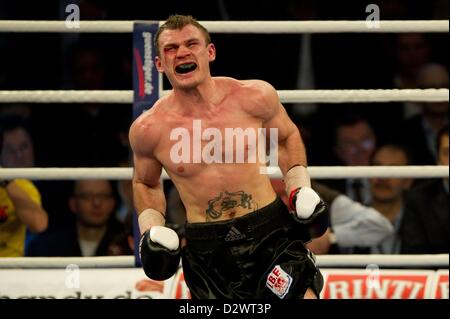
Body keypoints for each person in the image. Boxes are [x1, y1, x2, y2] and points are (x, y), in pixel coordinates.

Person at [129, 15, 328, 299]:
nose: (182, 52)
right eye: (171, 48)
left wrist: (299, 187)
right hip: (209, 251)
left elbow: (285, 138)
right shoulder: (149, 129)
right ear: (160, 64)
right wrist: (152, 230)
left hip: (270, 234)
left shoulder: (254, 97)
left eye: (191, 44)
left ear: (210, 52)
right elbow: (145, 183)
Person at [27, 179, 128, 257]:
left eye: (104, 196)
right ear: (73, 204)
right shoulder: (45, 247)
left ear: (113, 203)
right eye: (87, 196)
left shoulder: (128, 246)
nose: (97, 203)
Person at [0, 116, 48, 257]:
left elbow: (39, 225)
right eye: (10, 150)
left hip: (13, 272)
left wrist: (6, 180)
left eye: (24, 147)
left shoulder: (50, 184)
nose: (19, 155)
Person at [401, 125, 449, 253]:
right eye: (447, 153)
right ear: (438, 160)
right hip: (436, 272)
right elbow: (414, 257)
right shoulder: (420, 198)